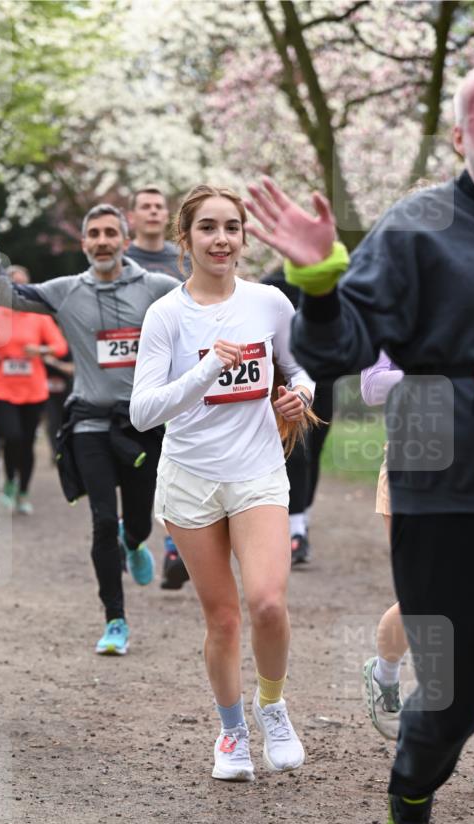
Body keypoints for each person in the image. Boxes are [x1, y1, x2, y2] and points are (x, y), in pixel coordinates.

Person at [245, 60, 474, 824]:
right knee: (443, 704)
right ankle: (409, 804)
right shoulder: (420, 226)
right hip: (444, 493)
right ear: (460, 136)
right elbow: (337, 351)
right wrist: (320, 284)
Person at [131, 184, 318, 782]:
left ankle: (274, 707)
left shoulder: (269, 302)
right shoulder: (166, 314)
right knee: (224, 619)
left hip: (259, 470)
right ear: (184, 239)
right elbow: (143, 411)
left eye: (232, 227)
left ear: (244, 237)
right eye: (207, 228)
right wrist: (209, 364)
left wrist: (298, 397)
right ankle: (232, 732)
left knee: (266, 602)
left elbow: (302, 369)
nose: (221, 239)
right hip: (190, 480)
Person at [0, 203, 179, 653]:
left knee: (138, 519)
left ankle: (136, 540)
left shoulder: (159, 288)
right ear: (83, 244)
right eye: (94, 234)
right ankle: (115, 621)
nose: (102, 241)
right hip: (88, 420)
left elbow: (202, 307)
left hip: (141, 422)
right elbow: (8, 296)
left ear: (125, 240)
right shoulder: (66, 291)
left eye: (110, 233)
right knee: (102, 520)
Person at [361, 350, 474, 793]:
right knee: (426, 599)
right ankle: (385, 673)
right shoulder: (409, 299)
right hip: (417, 468)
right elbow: (373, 387)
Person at [126, 185, 190, 590]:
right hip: (128, 378)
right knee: (137, 471)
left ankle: (174, 545)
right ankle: (130, 532)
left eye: (158, 207)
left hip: (179, 376)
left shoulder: (181, 259)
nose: (152, 212)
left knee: (176, 459)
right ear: (130, 216)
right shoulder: (120, 259)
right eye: (144, 206)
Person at [0, 265, 68, 514]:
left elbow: (60, 346)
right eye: (12, 283)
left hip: (33, 389)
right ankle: (10, 481)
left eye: (22, 284)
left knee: (26, 443)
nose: (17, 288)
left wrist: (41, 351)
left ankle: (23, 491)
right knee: (11, 437)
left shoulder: (40, 316)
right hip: (0, 388)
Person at [261, 267, 334, 565]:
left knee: (314, 450)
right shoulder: (271, 286)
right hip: (289, 379)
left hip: (325, 375)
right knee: (297, 450)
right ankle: (295, 530)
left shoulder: (330, 282)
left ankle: (302, 517)